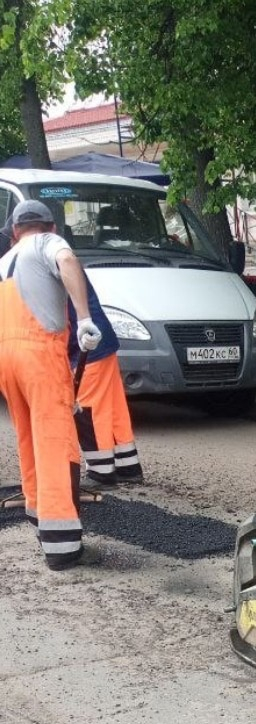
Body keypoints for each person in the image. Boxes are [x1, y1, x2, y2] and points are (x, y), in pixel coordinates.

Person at [0, 200, 101, 569]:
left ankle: (39, 517)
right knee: (55, 440)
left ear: (14, 231)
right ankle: (61, 546)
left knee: (28, 439)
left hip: (6, 358)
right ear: (51, 227)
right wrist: (85, 317)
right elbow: (69, 262)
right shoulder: (46, 244)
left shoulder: (5, 260)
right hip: (40, 356)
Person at [68, 279, 144, 490]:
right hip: (100, 341)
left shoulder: (41, 264)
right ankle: (127, 466)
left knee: (88, 409)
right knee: (113, 407)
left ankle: (101, 472)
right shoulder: (57, 258)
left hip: (84, 348)